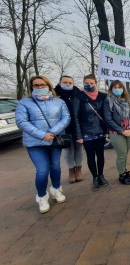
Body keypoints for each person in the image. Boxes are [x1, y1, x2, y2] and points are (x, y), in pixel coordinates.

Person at [16, 76, 70, 213]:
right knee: (42, 170)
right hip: (35, 143)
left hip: (54, 139)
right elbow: (21, 122)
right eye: (36, 85)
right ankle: (41, 196)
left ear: (48, 85)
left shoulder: (58, 102)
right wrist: (42, 135)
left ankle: (56, 189)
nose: (40, 87)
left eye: (42, 84)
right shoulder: (24, 103)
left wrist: (52, 132)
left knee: (56, 166)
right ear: (31, 87)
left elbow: (66, 118)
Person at [73, 74, 108, 191]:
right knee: (90, 156)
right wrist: (78, 135)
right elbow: (75, 117)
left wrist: (107, 130)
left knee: (101, 155)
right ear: (83, 84)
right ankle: (95, 178)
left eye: (91, 83)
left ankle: (101, 175)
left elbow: (106, 115)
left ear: (95, 84)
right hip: (86, 132)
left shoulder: (102, 96)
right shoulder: (79, 97)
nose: (89, 85)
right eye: (87, 83)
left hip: (100, 131)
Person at [103, 80, 130, 185]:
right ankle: (121, 175)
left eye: (119, 87)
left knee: (125, 153)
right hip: (117, 132)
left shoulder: (127, 100)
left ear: (123, 89)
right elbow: (108, 119)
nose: (117, 89)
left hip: (129, 131)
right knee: (121, 154)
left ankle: (125, 171)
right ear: (111, 89)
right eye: (115, 87)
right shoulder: (108, 100)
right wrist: (121, 131)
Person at [55, 75, 84, 183]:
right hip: (64, 127)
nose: (67, 84)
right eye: (65, 82)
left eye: (70, 83)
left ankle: (79, 169)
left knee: (79, 149)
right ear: (60, 83)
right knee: (68, 150)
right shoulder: (55, 96)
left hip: (78, 127)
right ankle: (71, 170)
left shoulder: (77, 94)